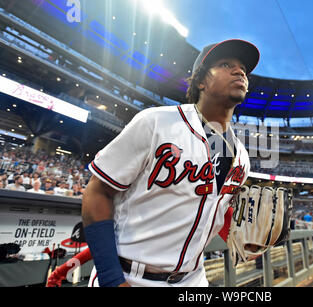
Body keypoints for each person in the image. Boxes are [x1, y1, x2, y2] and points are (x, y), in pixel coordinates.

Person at [82, 39, 260, 287]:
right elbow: (98, 191)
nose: (239, 71)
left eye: (243, 68)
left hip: (194, 280)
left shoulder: (241, 156)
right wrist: (111, 278)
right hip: (129, 275)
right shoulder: (156, 122)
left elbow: (217, 208)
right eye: (226, 64)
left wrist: (241, 239)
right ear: (201, 81)